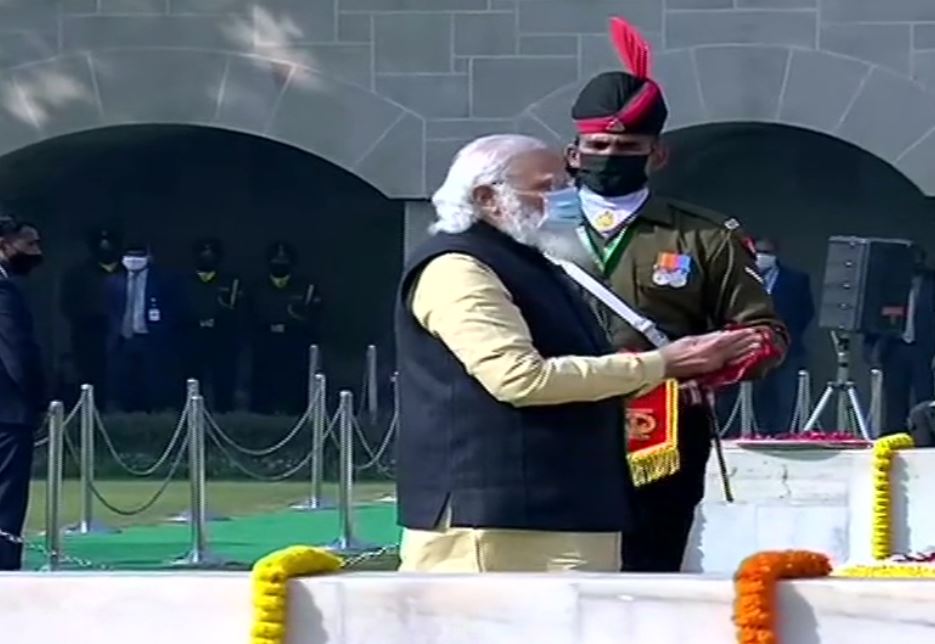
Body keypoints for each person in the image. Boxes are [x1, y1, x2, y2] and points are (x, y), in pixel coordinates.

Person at [395, 134, 763, 573]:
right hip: (497, 521)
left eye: (564, 184)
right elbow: (520, 379)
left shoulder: (534, 262)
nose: (567, 198)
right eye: (547, 187)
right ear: (488, 198)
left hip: (560, 508)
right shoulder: (459, 268)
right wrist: (662, 364)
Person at [560, 18, 788, 573]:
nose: (610, 156)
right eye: (598, 145)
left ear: (656, 155)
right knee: (556, 570)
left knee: (649, 567)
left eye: (627, 146)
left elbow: (765, 333)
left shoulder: (704, 235)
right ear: (573, 153)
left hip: (659, 431)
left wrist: (705, 365)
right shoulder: (531, 229)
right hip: (554, 418)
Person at [0, 215, 45, 570]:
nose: (36, 252)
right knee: (6, 496)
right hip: (8, 409)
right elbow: (16, 350)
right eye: (28, 245)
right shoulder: (4, 291)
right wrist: (37, 398)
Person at [105, 242, 183, 412]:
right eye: (130, 256)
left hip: (151, 339)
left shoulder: (163, 281)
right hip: (123, 340)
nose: (133, 260)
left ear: (148, 257)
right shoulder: (114, 281)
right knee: (124, 384)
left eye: (138, 256)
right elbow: (110, 310)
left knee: (152, 383)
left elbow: (173, 309)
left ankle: (152, 416)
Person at [866, 246, 935, 435]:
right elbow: (874, 317)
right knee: (895, 400)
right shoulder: (889, 285)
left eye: (918, 258)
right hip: (895, 348)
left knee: (925, 398)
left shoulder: (931, 283)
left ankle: (926, 441)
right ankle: (896, 438)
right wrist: (871, 349)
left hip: (925, 349)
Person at [750, 238, 814, 435]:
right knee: (756, 396)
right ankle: (757, 432)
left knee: (785, 395)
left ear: (776, 254)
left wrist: (786, 335)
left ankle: (783, 433)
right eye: (759, 251)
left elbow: (806, 312)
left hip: (788, 349)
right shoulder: (744, 278)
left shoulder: (796, 279)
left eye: (767, 252)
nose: (763, 257)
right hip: (752, 349)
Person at [249, 241, 320, 414]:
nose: (280, 262)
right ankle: (262, 413)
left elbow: (315, 316)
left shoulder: (305, 287)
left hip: (293, 340)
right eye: (276, 258)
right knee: (263, 379)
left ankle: (296, 412)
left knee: (295, 379)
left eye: (284, 259)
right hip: (265, 341)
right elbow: (249, 315)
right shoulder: (257, 287)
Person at [60, 227, 122, 407]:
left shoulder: (128, 272)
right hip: (90, 336)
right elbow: (68, 305)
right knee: (91, 377)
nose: (106, 248)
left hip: (124, 335)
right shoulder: (78, 274)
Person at [183, 238, 241, 412]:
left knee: (223, 382)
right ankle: (190, 416)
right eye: (203, 254)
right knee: (192, 380)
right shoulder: (184, 282)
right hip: (192, 338)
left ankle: (224, 417)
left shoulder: (231, 283)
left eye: (211, 254)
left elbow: (240, 314)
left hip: (221, 339)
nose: (207, 257)